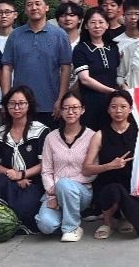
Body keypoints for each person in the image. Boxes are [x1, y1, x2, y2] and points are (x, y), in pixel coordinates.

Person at [84, 90, 139, 239]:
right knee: (114, 190)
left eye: (123, 106)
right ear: (108, 110)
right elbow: (86, 169)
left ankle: (124, 217)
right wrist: (110, 165)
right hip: (107, 186)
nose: (118, 111)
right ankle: (108, 223)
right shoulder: (100, 135)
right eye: (114, 107)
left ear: (130, 109)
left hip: (133, 187)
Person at [0, 85, 47, 233]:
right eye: (12, 104)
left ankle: (18, 226)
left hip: (33, 181)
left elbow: (44, 164)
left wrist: (22, 174)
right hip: (9, 180)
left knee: (25, 209)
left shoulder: (40, 130)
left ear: (29, 105)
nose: (16, 107)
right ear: (6, 106)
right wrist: (13, 175)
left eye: (21, 103)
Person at [1, 0, 72, 126]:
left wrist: (61, 99)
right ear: (25, 10)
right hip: (19, 105)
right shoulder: (15, 35)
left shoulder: (60, 35)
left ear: (47, 7)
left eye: (38, 4)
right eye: (29, 5)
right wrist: (6, 99)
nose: (34, 7)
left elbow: (65, 68)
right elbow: (7, 68)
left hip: (50, 103)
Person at [36, 93, 95, 242]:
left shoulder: (92, 136)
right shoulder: (51, 137)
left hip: (82, 192)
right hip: (54, 192)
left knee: (64, 184)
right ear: (61, 111)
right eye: (66, 108)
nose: (70, 112)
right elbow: (46, 170)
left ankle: (71, 228)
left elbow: (93, 171)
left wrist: (64, 185)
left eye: (75, 107)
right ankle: (67, 216)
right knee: (45, 226)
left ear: (82, 110)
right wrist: (52, 194)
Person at [73, 7, 121, 131]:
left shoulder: (113, 47)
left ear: (107, 25)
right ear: (86, 26)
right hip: (91, 103)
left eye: (101, 22)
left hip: (113, 104)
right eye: (93, 22)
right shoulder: (81, 49)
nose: (97, 26)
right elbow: (85, 79)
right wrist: (111, 91)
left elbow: (118, 73)